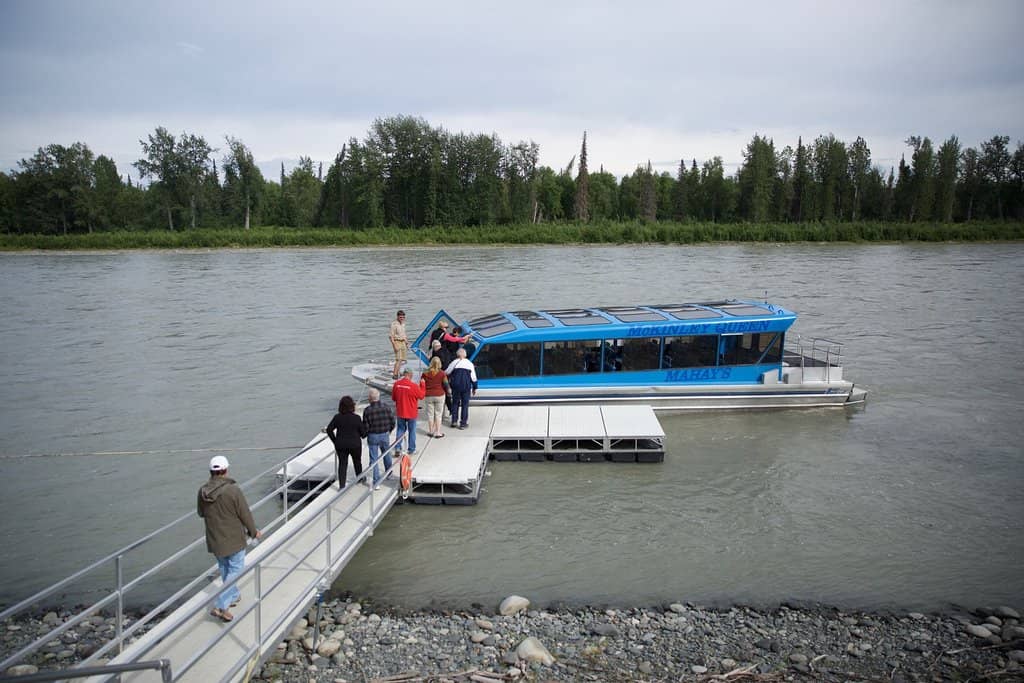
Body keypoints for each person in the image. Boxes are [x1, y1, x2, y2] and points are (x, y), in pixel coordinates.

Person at [198, 455, 261, 623]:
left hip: (214, 538)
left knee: (225, 568)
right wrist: (253, 532)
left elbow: (201, 513)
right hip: (233, 538)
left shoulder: (202, 491)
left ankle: (233, 596)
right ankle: (221, 605)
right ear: (225, 470)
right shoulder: (233, 490)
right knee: (236, 570)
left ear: (211, 471)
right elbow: (244, 513)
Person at [325, 395, 367, 488]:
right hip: (355, 444)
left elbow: (329, 429)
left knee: (342, 464)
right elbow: (363, 434)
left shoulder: (337, 417)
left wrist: (335, 441)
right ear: (352, 406)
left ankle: (342, 485)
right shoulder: (356, 418)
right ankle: (359, 478)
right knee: (357, 461)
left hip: (341, 444)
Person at [362, 387, 396, 489]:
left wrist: (366, 433)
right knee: (386, 454)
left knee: (374, 459)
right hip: (385, 434)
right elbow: (392, 421)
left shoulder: (367, 410)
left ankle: (376, 482)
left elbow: (366, 426)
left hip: (373, 436)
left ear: (370, 398)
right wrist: (389, 430)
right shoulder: (386, 407)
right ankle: (389, 473)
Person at [391, 368, 426, 454]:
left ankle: (398, 448)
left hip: (400, 411)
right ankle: (411, 449)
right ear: (410, 375)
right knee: (412, 431)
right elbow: (421, 396)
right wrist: (422, 385)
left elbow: (393, 398)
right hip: (411, 413)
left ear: (404, 374)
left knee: (400, 429)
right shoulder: (413, 386)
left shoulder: (396, 384)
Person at [445, 347, 478, 429]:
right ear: (465, 355)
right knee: (465, 405)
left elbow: (447, 372)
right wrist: (475, 387)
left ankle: (454, 421)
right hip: (466, 386)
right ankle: (463, 423)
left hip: (455, 386)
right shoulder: (469, 363)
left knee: (455, 403)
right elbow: (473, 377)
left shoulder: (454, 362)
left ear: (457, 354)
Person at [422, 356, 450, 438]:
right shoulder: (442, 373)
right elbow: (446, 384)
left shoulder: (425, 373)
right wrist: (448, 392)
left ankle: (431, 431)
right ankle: (438, 432)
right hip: (439, 395)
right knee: (438, 414)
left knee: (430, 414)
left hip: (428, 395)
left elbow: (422, 383)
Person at [430, 339, 453, 417]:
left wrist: (430, 358)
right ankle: (450, 409)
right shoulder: (446, 350)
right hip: (448, 373)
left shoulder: (437, 353)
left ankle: (449, 409)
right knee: (447, 392)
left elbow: (436, 362)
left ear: (434, 347)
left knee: (443, 392)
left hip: (441, 375)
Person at [389, 310, 408, 379]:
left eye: (403, 317)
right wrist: (394, 346)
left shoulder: (403, 324)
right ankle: (395, 374)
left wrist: (406, 342)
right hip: (397, 341)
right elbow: (391, 336)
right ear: (397, 317)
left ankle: (398, 372)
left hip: (403, 342)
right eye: (400, 317)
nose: (402, 318)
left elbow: (404, 334)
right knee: (398, 359)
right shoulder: (394, 324)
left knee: (402, 359)